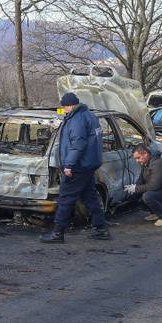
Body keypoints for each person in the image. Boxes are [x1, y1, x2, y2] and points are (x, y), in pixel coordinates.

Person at [40, 92, 111, 243]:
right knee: (90, 197)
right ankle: (101, 229)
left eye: (65, 107)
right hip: (88, 165)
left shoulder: (77, 120)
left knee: (65, 198)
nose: (64, 110)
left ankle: (58, 233)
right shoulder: (90, 116)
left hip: (78, 166)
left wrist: (69, 164)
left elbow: (78, 144)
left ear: (71, 106)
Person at [125, 143, 162, 226]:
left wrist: (136, 188)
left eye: (138, 158)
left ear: (145, 154)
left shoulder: (158, 163)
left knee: (147, 196)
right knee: (137, 195)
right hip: (159, 190)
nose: (137, 161)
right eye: (135, 159)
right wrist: (133, 188)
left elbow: (154, 186)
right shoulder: (146, 163)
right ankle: (155, 213)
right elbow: (140, 180)